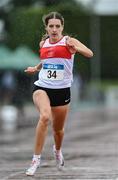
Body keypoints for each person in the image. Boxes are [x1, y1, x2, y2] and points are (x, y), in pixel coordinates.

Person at [24, 11, 93, 176]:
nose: (54, 29)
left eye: (57, 26)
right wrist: (36, 68)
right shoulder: (43, 44)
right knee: (45, 117)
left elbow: (90, 54)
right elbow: (47, 61)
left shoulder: (69, 41)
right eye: (51, 26)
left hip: (62, 91)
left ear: (62, 27)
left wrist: (75, 48)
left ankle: (57, 150)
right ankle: (35, 160)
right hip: (42, 87)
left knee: (58, 130)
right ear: (46, 28)